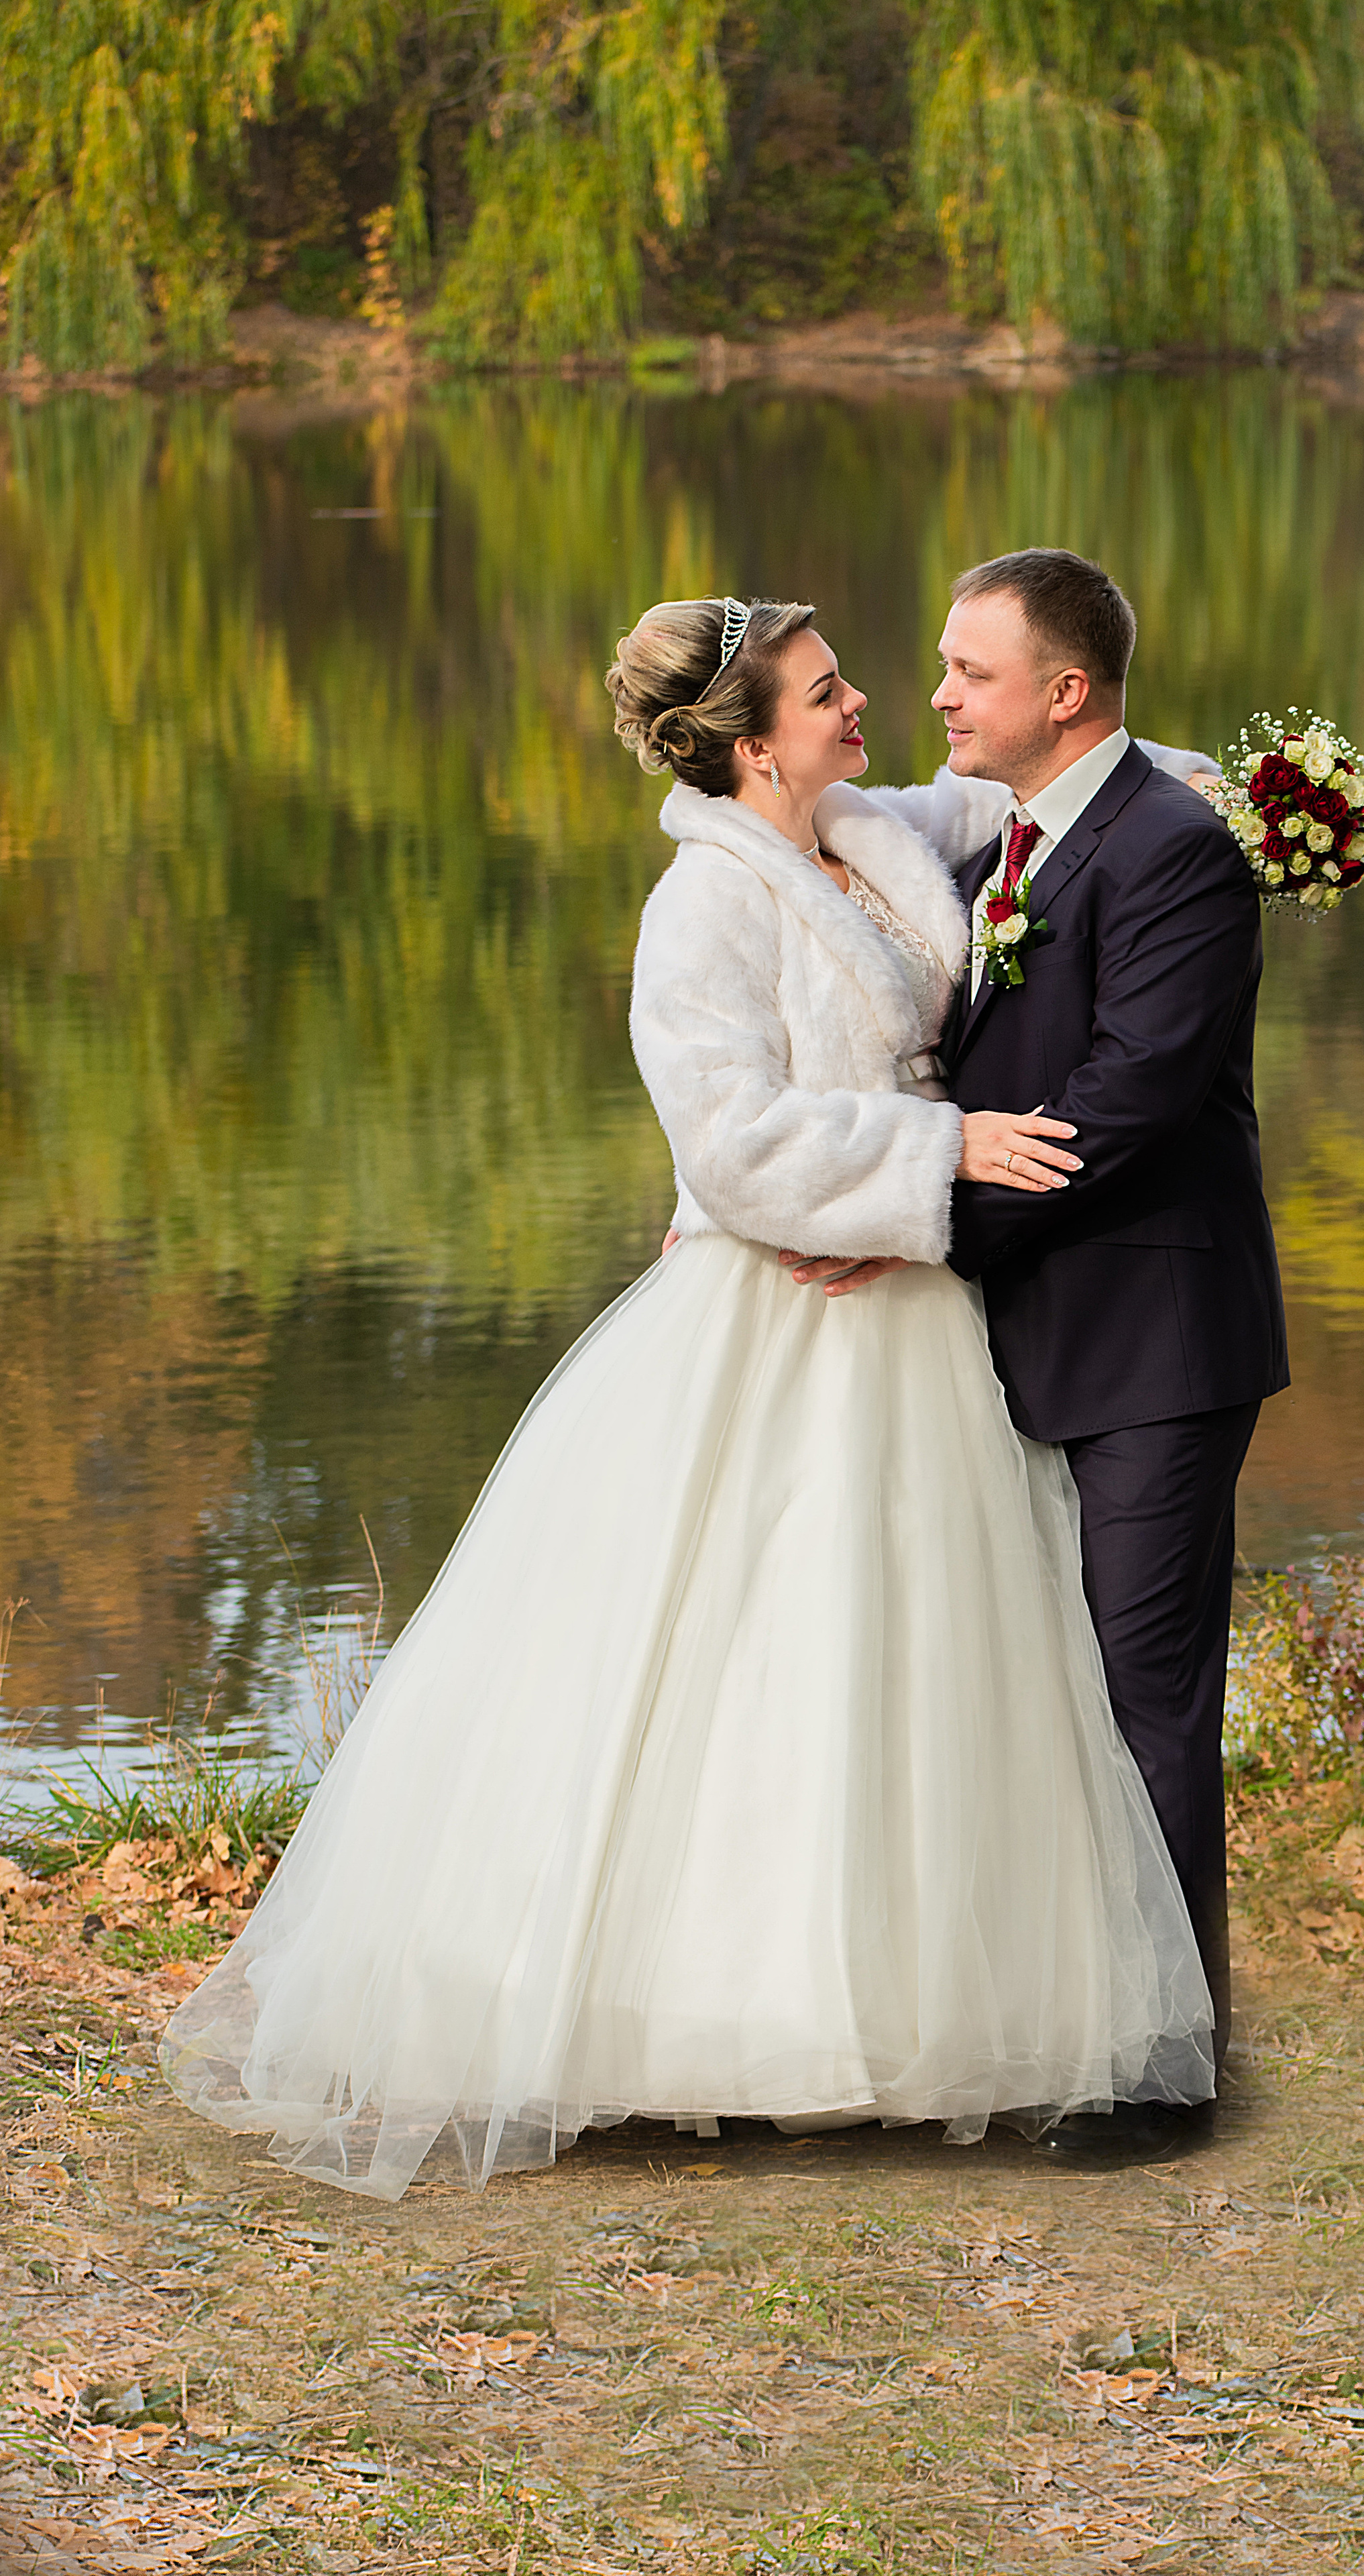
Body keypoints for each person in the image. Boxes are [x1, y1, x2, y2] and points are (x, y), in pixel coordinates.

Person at [159, 592, 1215, 2200]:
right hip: (791, 1311)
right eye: (823, 690)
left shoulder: (867, 832)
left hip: (917, 1317)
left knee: (914, 1658)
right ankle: (706, 2019)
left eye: (853, 679)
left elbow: (1068, 786)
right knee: (757, 1645)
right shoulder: (702, 908)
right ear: (740, 747)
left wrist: (1262, 796)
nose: (864, 701)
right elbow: (728, 1141)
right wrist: (928, 1158)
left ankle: (905, 2002)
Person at [791, 550, 1290, 2165]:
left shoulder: (1174, 854)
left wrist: (917, 1218)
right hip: (1023, 1332)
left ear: (1062, 695)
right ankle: (1062, 2011)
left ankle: (1158, 2070)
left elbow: (1123, 1107)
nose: (935, 696)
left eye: (968, 674)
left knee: (1142, 1696)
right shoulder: (1013, 835)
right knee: (1035, 1688)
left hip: (1152, 1333)